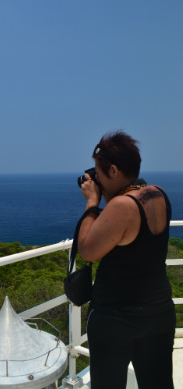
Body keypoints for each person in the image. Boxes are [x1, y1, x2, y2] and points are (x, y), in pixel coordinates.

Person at [77, 130, 174, 389]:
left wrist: (92, 202)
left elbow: (87, 250)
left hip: (117, 318)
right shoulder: (158, 194)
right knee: (159, 383)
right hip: (159, 311)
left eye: (99, 172)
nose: (95, 177)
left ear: (114, 171)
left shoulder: (121, 207)